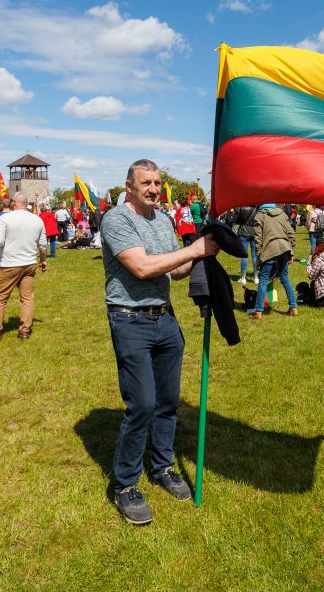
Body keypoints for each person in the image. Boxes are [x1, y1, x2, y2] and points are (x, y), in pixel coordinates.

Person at [100, 159, 219, 524]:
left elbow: (176, 269)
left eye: (157, 182)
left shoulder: (164, 220)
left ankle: (163, 466)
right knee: (143, 404)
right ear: (130, 185)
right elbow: (142, 267)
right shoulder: (117, 219)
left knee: (168, 401)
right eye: (145, 183)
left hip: (165, 319)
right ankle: (125, 485)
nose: (153, 188)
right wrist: (195, 249)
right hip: (130, 319)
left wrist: (207, 247)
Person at [0, 193, 47, 340]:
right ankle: (24, 331)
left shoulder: (5, 218)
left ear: (15, 202)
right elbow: (43, 245)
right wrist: (43, 260)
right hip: (30, 263)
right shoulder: (37, 219)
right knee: (27, 298)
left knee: (0, 298)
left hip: (10, 264)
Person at [250, 203, 298, 319]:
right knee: (285, 278)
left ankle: (258, 312)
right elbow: (291, 233)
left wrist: (259, 256)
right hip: (284, 249)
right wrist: (291, 250)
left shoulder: (259, 216)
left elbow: (258, 238)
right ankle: (293, 308)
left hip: (270, 249)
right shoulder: (282, 214)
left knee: (263, 280)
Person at [230, 205, 259, 285]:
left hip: (244, 233)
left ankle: (243, 278)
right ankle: (256, 277)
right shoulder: (256, 209)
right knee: (255, 256)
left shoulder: (241, 209)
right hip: (254, 233)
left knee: (244, 256)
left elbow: (236, 220)